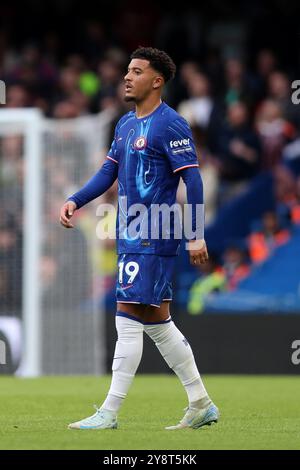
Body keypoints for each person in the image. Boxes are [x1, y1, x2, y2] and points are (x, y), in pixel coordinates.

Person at [60, 47, 219, 430]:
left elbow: (192, 178)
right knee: (158, 323)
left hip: (154, 233)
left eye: (136, 71)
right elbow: (107, 172)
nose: (127, 77)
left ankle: (109, 412)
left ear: (157, 80)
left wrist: (195, 234)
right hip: (130, 233)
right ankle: (201, 402)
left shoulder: (171, 124)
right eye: (127, 71)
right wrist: (76, 199)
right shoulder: (126, 125)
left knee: (127, 318)